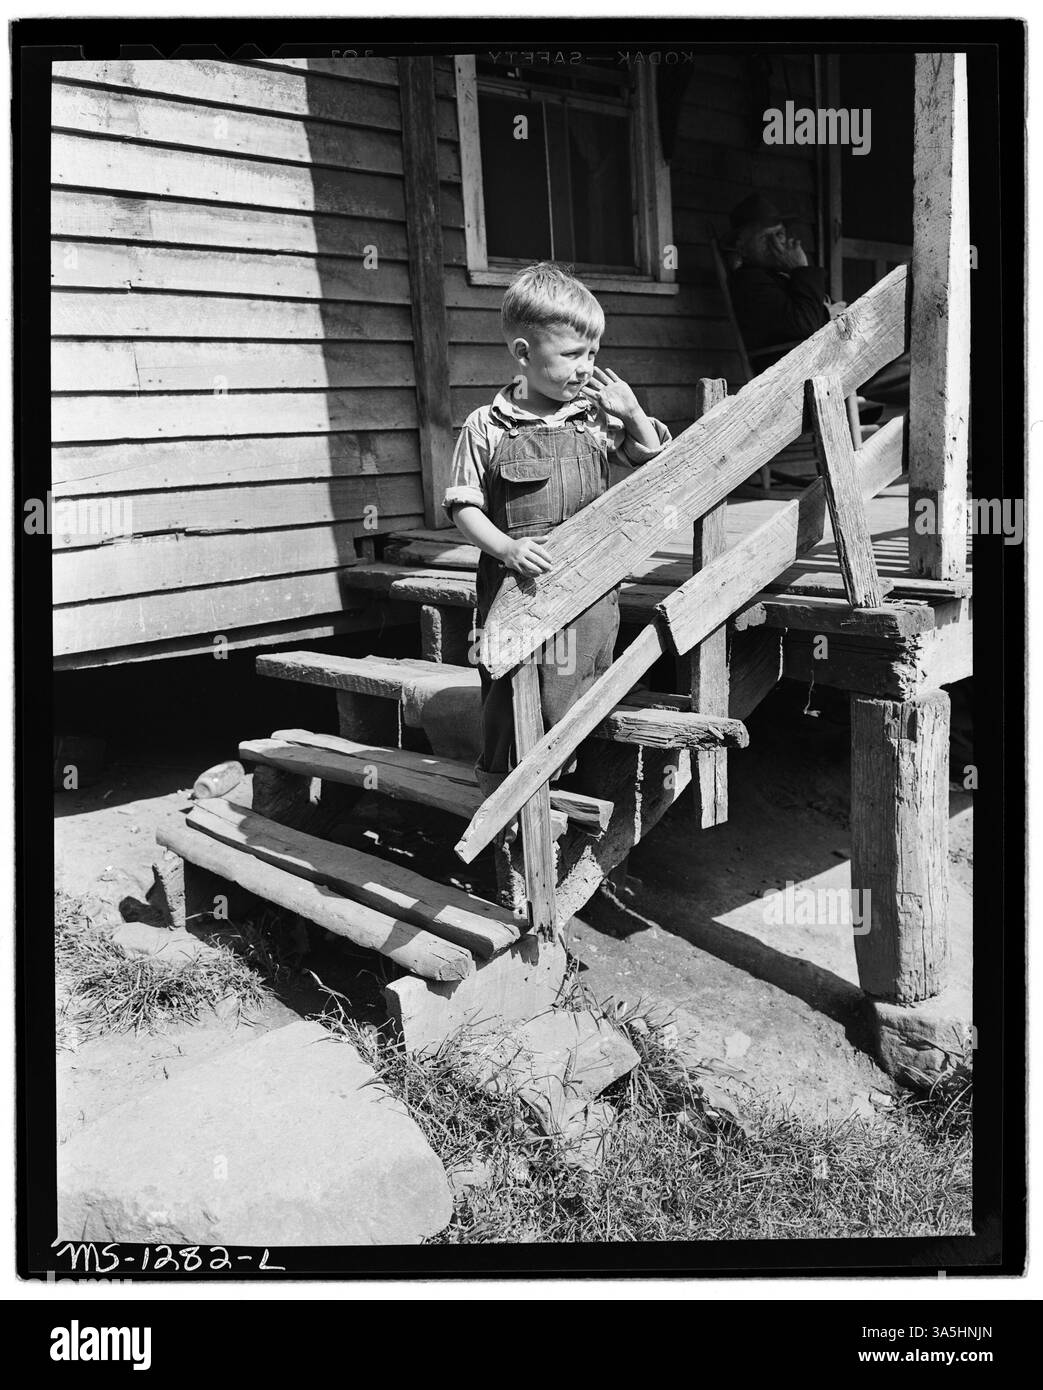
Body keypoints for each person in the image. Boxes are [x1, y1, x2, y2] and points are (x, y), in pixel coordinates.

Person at [442, 261, 671, 798]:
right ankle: (505, 795)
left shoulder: (595, 417)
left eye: (593, 354)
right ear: (524, 354)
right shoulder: (487, 425)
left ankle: (580, 793)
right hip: (513, 584)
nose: (586, 368)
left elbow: (657, 465)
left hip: (589, 588)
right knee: (507, 686)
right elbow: (462, 507)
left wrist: (633, 413)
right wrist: (505, 547)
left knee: (581, 683)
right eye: (572, 355)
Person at [727, 192, 908, 404]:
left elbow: (803, 320)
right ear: (743, 247)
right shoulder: (749, 282)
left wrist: (824, 312)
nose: (776, 244)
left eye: (780, 235)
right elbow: (803, 324)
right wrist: (801, 270)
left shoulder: (779, 277)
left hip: (832, 364)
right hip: (809, 377)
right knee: (920, 368)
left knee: (916, 357)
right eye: (765, 238)